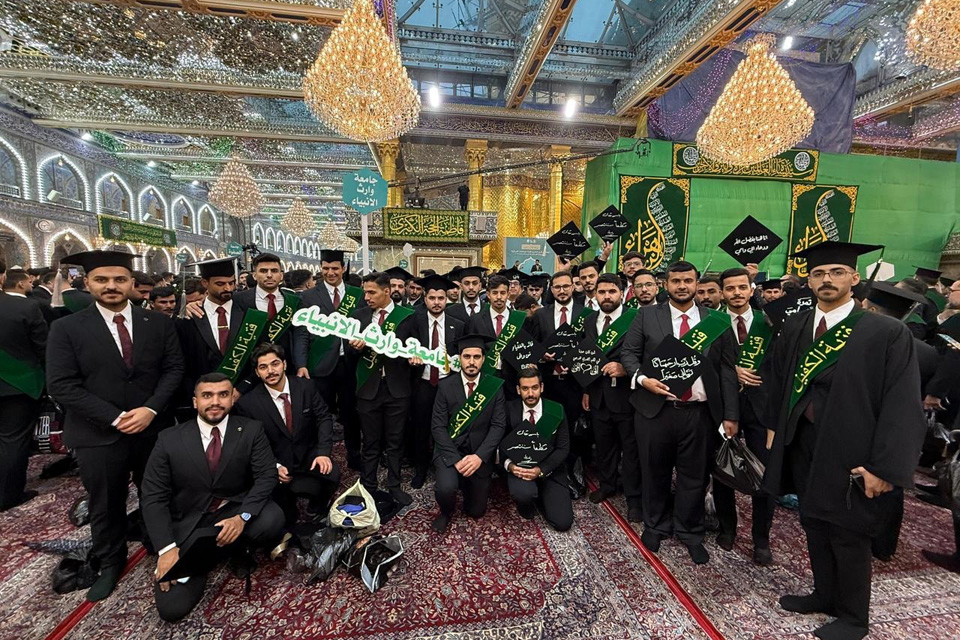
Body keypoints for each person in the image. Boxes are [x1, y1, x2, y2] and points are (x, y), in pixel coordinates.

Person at [763, 242, 925, 640]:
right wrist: (773, 429)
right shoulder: (797, 326)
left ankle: (854, 617)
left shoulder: (886, 332)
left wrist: (885, 467)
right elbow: (779, 380)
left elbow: (902, 404)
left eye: (836, 272)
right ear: (809, 281)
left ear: (854, 278)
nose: (827, 280)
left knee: (848, 532)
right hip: (802, 443)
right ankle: (824, 594)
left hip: (855, 449)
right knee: (813, 521)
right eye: (819, 273)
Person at [47, 250, 184, 601]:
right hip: (97, 432)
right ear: (88, 283)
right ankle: (110, 562)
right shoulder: (66, 328)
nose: (111, 286)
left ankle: (161, 545)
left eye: (119, 279)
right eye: (102, 280)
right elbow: (61, 385)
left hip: (152, 428)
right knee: (106, 501)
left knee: (158, 492)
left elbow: (173, 370)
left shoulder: (158, 323)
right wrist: (115, 417)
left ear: (131, 283)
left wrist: (150, 409)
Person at [621, 260, 740, 565]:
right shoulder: (647, 315)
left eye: (688, 281)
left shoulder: (716, 321)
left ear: (697, 284)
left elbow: (728, 370)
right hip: (656, 410)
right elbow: (629, 353)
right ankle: (656, 525)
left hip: (700, 414)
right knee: (654, 471)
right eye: (676, 281)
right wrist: (642, 379)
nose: (682, 286)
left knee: (695, 476)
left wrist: (731, 415)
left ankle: (691, 531)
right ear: (666, 284)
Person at [141, 373, 284, 623]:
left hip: (232, 512)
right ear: (195, 401)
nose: (215, 402)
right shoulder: (169, 439)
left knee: (272, 518)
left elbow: (266, 477)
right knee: (172, 608)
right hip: (189, 524)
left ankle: (234, 547)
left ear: (232, 399)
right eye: (207, 395)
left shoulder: (251, 430)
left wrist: (242, 517)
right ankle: (214, 553)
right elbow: (153, 496)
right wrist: (166, 549)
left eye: (223, 395)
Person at [236, 344, 340, 525]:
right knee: (285, 517)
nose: (270, 371)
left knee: (332, 475)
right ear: (257, 372)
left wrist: (323, 453)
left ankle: (315, 508)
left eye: (275, 364)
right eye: (263, 367)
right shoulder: (248, 404)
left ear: (284, 364)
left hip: (307, 454)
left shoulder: (306, 387)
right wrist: (274, 466)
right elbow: (252, 444)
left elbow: (323, 417)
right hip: (277, 460)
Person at [713, 267, 776, 564]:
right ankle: (727, 528)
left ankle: (761, 539)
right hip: (724, 408)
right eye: (730, 288)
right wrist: (732, 370)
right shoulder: (712, 324)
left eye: (742, 287)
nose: (736, 293)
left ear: (752, 290)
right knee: (724, 471)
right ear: (722, 292)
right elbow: (706, 365)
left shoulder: (769, 323)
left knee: (765, 475)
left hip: (763, 412)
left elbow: (782, 366)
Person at [348, 272, 416, 506]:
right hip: (368, 388)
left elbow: (415, 348)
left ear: (386, 291)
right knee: (370, 442)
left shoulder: (407, 316)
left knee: (395, 442)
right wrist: (355, 348)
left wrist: (414, 357)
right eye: (365, 292)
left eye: (371, 292)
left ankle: (394, 485)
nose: (366, 297)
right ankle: (368, 486)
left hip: (398, 388)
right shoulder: (358, 316)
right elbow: (348, 356)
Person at [581, 273, 642, 521]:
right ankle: (607, 485)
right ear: (595, 294)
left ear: (622, 293)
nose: (607, 296)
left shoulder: (635, 319)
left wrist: (626, 368)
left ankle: (634, 498)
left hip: (627, 397)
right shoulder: (589, 321)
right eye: (602, 292)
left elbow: (647, 354)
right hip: (598, 397)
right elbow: (586, 358)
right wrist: (587, 390)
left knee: (631, 451)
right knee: (604, 447)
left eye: (612, 291)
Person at [430, 334, 506, 533]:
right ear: (460, 358)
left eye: (476, 357)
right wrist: (455, 460)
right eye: (467, 356)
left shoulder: (494, 387)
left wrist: (479, 457)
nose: (471, 362)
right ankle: (446, 512)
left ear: (483, 359)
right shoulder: (445, 386)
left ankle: (466, 483)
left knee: (476, 511)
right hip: (450, 451)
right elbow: (437, 427)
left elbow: (498, 426)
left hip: (478, 453)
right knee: (446, 489)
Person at [295, 250, 362, 471]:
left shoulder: (357, 294)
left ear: (343, 268)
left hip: (350, 364)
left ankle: (354, 455)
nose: (330, 272)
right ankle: (319, 455)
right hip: (320, 363)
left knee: (351, 413)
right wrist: (301, 364)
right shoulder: (308, 296)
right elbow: (302, 333)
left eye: (334, 268)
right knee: (319, 414)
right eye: (325, 268)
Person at [529, 270, 587, 496]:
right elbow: (533, 345)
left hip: (575, 384)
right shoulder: (541, 315)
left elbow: (591, 347)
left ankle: (572, 473)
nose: (562, 290)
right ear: (551, 290)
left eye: (565, 286)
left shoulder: (586, 314)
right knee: (547, 428)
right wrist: (541, 355)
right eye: (557, 287)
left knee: (572, 432)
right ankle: (547, 471)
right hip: (548, 383)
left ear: (573, 287)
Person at [408, 274, 465, 489]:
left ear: (447, 299)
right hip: (422, 383)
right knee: (420, 428)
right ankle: (420, 469)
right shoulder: (414, 322)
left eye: (441, 298)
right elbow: (404, 348)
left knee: (448, 428)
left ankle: (447, 464)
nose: (437, 302)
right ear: (425, 298)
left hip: (447, 384)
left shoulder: (458, 325)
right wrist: (410, 358)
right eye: (432, 298)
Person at [501, 367, 572, 531]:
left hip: (550, 470)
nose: (530, 393)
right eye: (525, 388)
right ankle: (530, 498)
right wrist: (510, 466)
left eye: (534, 388)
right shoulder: (508, 409)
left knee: (563, 523)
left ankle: (543, 496)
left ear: (542, 387)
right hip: (521, 468)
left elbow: (563, 449)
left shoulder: (556, 410)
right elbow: (500, 445)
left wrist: (541, 470)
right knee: (524, 496)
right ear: (518, 390)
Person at [0, 267, 47, 511]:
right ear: (2, 276)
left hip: (15, 384)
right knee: (13, 441)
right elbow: (43, 348)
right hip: (18, 384)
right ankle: (8, 496)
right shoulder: (25, 306)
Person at [176, 257, 242, 414]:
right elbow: (182, 361)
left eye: (231, 283)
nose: (228, 288)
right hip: (203, 400)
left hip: (241, 397)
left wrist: (242, 388)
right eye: (220, 284)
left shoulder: (247, 313)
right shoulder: (189, 317)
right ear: (205, 283)